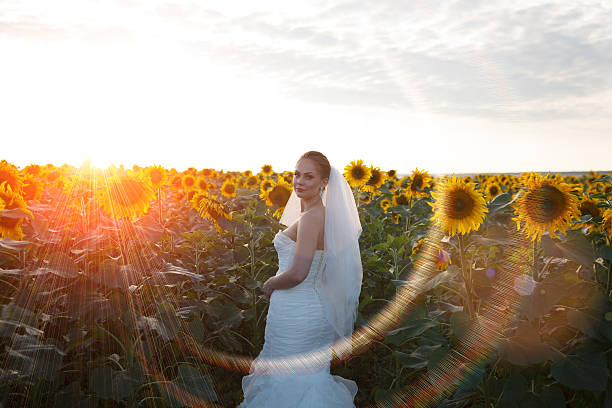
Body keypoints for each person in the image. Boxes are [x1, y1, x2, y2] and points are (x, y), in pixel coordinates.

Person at [237, 151, 363, 407]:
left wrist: (270, 284)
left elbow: (298, 273)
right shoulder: (325, 215)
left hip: (297, 311)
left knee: (288, 380)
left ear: (324, 183)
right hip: (311, 308)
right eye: (296, 174)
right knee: (305, 377)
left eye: (309, 176)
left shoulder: (310, 219)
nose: (299, 181)